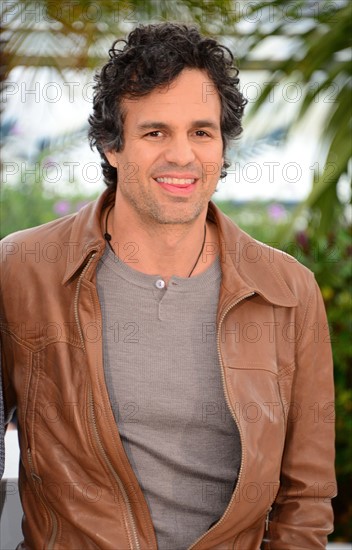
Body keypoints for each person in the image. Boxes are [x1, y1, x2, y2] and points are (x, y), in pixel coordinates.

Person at [0, 22, 336, 549]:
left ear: (222, 148)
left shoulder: (289, 291)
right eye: (155, 132)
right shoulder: (21, 270)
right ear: (112, 147)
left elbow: (307, 495)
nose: (182, 155)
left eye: (201, 132)